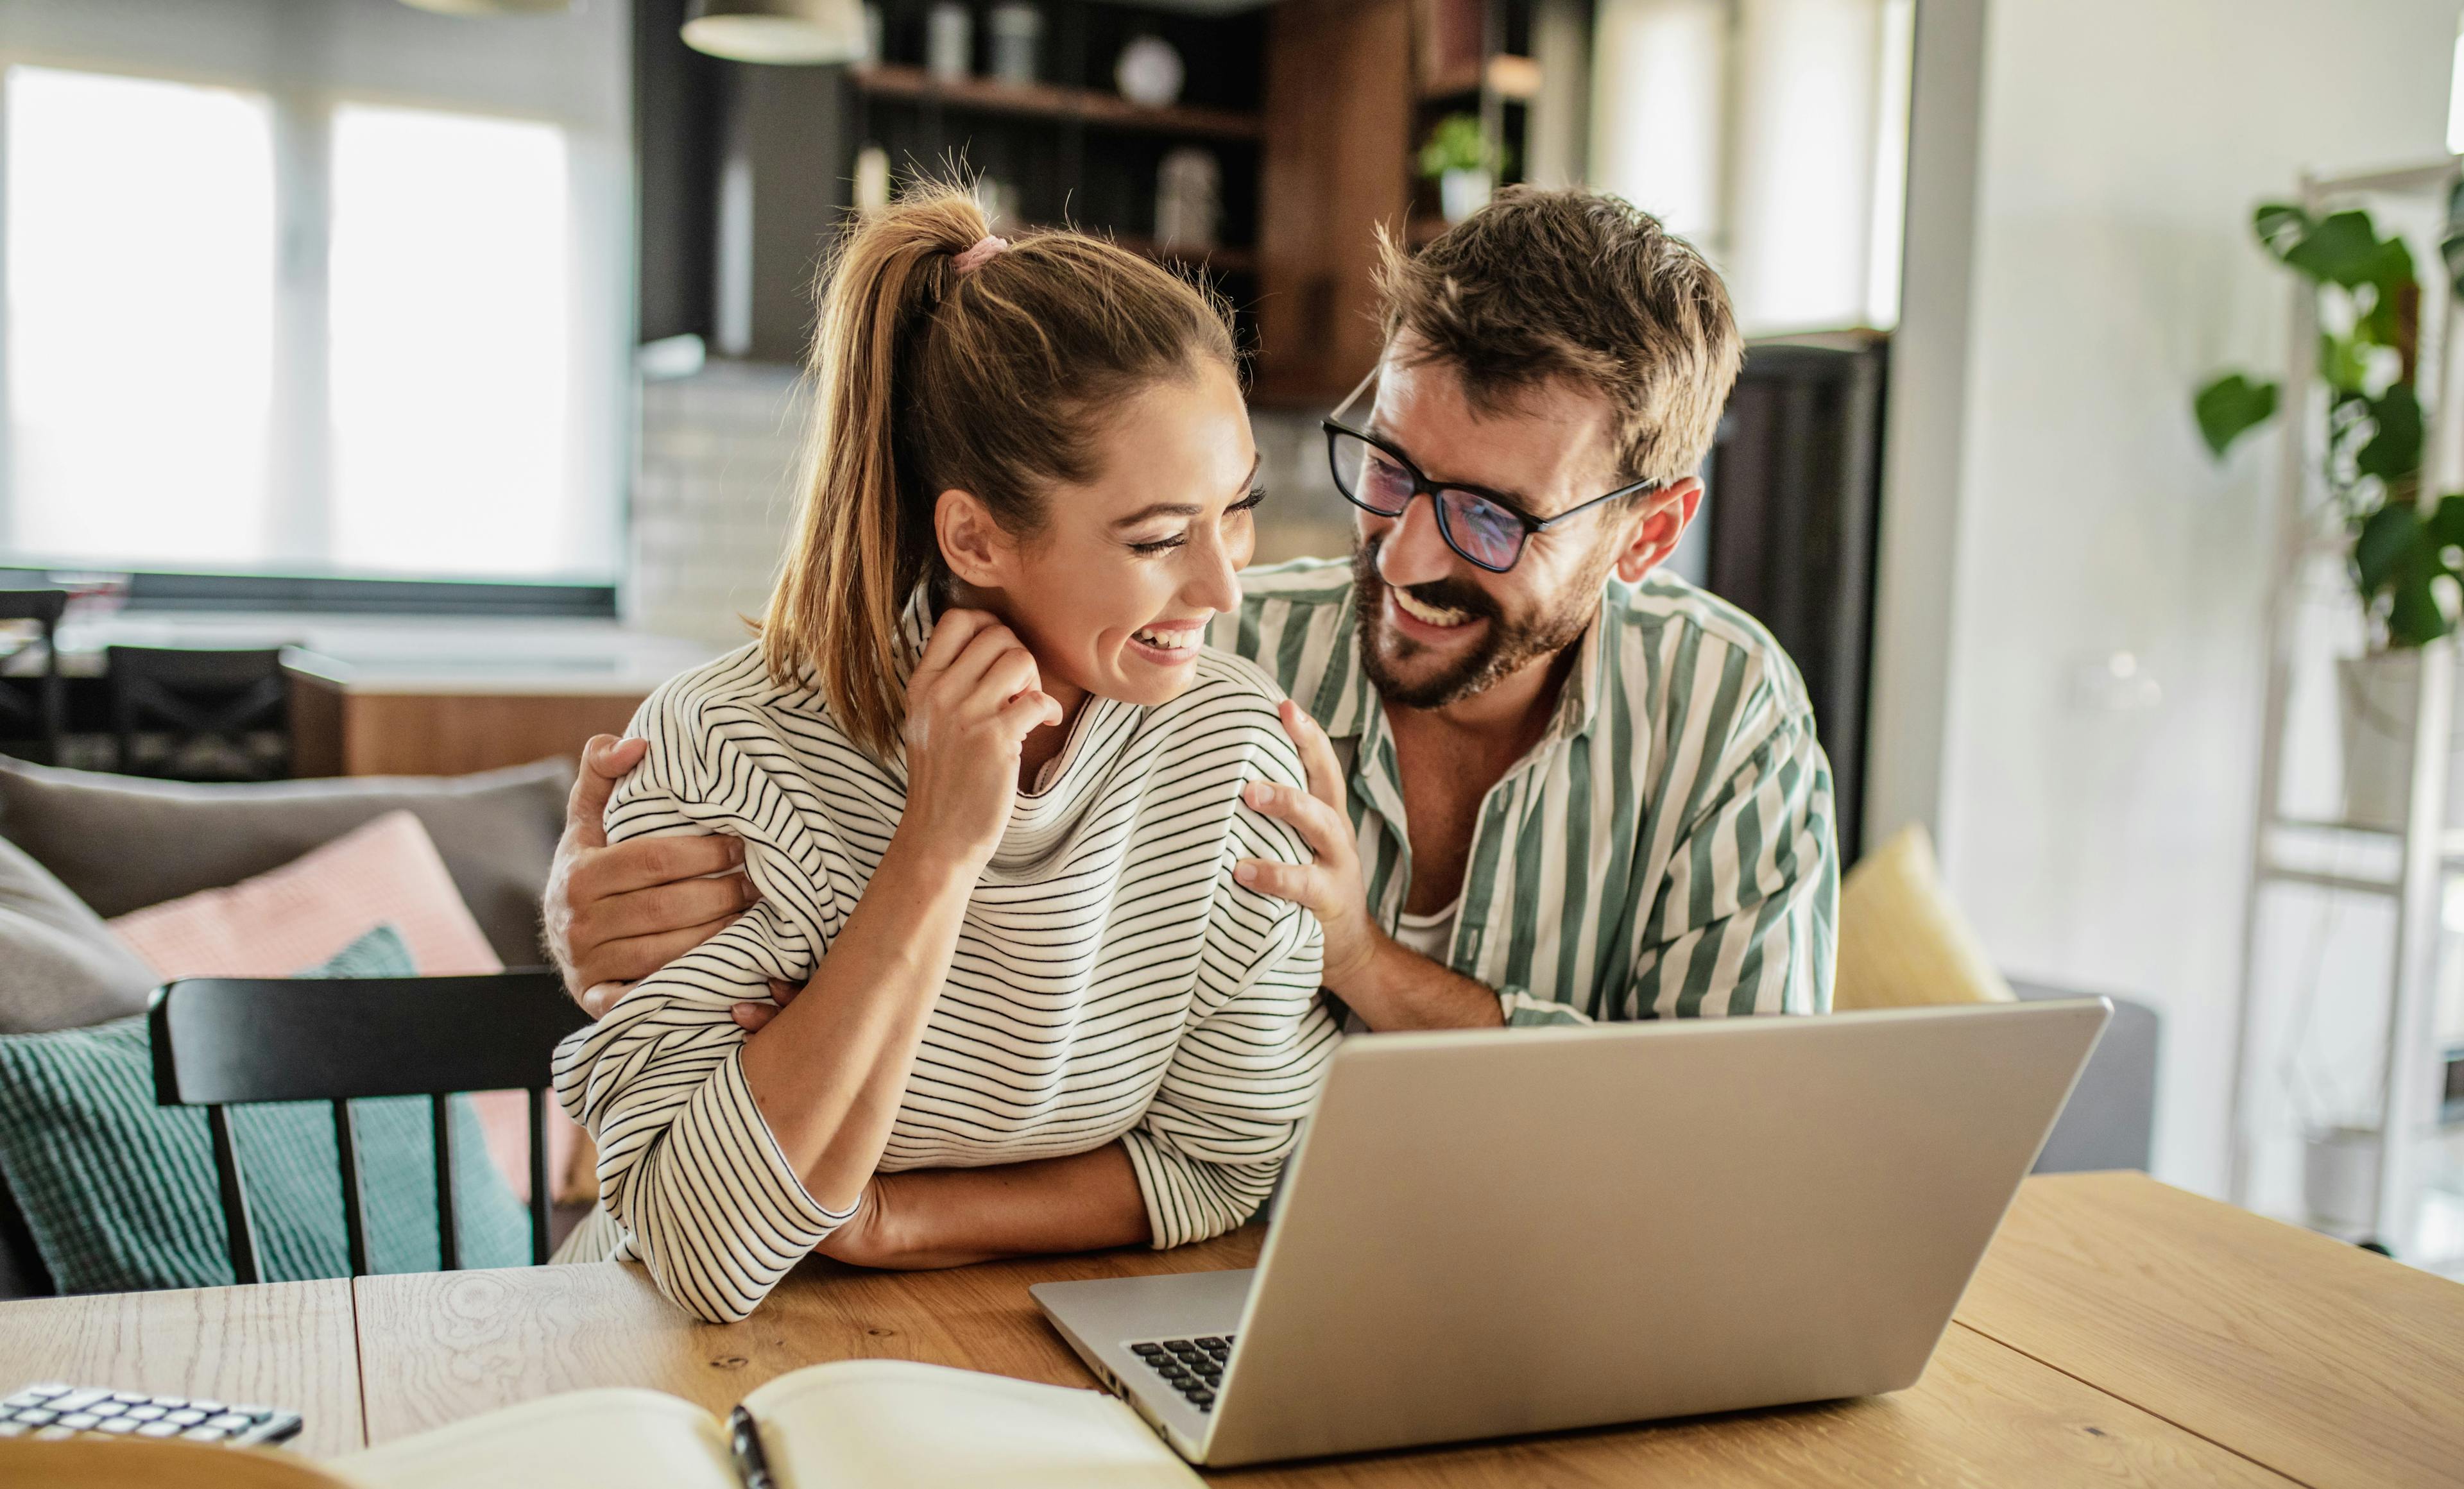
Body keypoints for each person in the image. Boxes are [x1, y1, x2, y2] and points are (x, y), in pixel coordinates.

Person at [548, 187, 1836, 1266]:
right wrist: (575, 911)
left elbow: (1730, 1145)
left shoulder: (1723, 718)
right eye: (1388, 470)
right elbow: (780, 790)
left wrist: (1368, 965)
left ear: (1650, 534)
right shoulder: (1199, 649)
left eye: (1495, 519)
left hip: (1551, 1282)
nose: (1405, 552)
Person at [550, 187, 1339, 1325]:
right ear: (975, 535)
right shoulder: (729, 748)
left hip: (1012, 1337)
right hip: (671, 1362)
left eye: (1239, 510)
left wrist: (886, 1221)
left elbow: (1223, 1165)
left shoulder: (1232, 752)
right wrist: (935, 847)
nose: (1223, 586)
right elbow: (696, 1239)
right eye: (1161, 537)